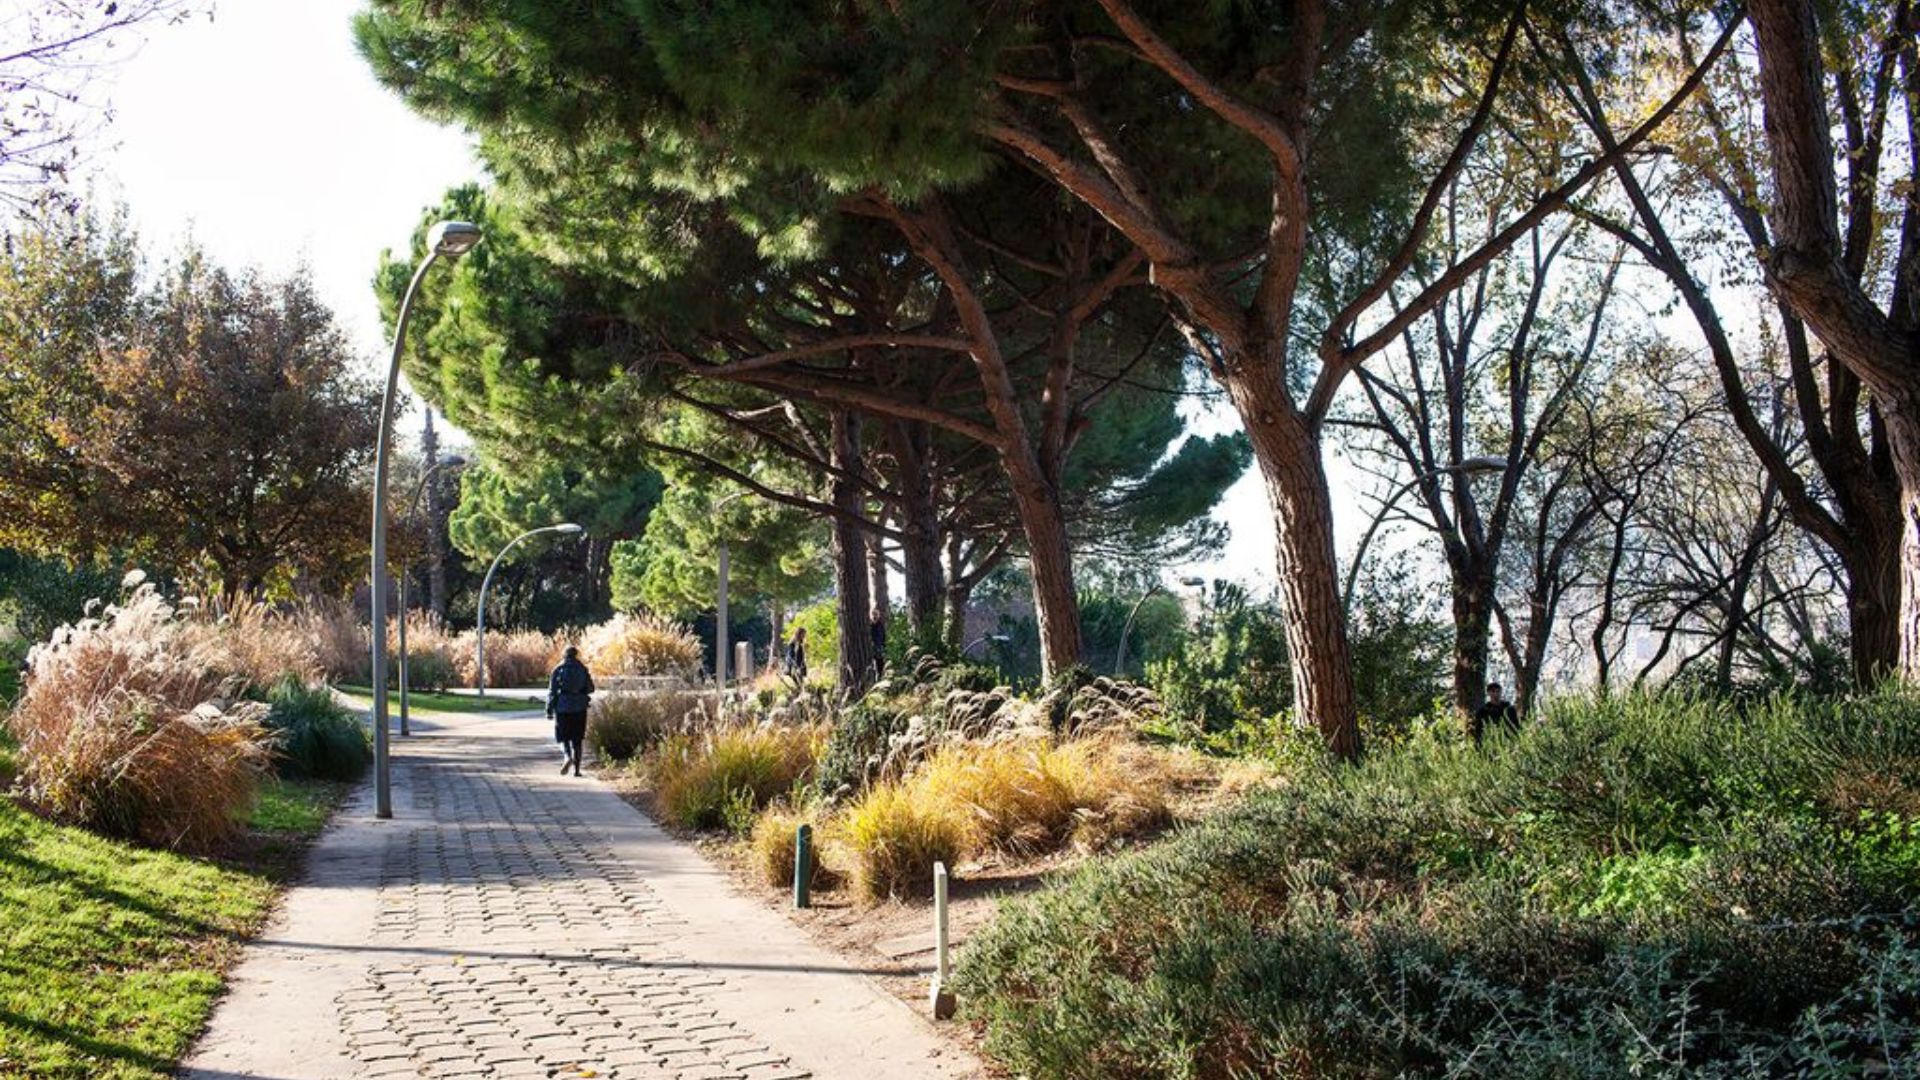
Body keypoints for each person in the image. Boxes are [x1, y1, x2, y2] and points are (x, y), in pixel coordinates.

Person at [547, 645, 595, 776]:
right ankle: (577, 771)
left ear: (564, 655)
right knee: (578, 739)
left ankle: (567, 757)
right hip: (579, 707)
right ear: (576, 655)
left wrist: (549, 709)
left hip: (563, 707)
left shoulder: (558, 669)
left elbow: (552, 692)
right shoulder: (582, 669)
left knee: (563, 737)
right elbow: (591, 688)